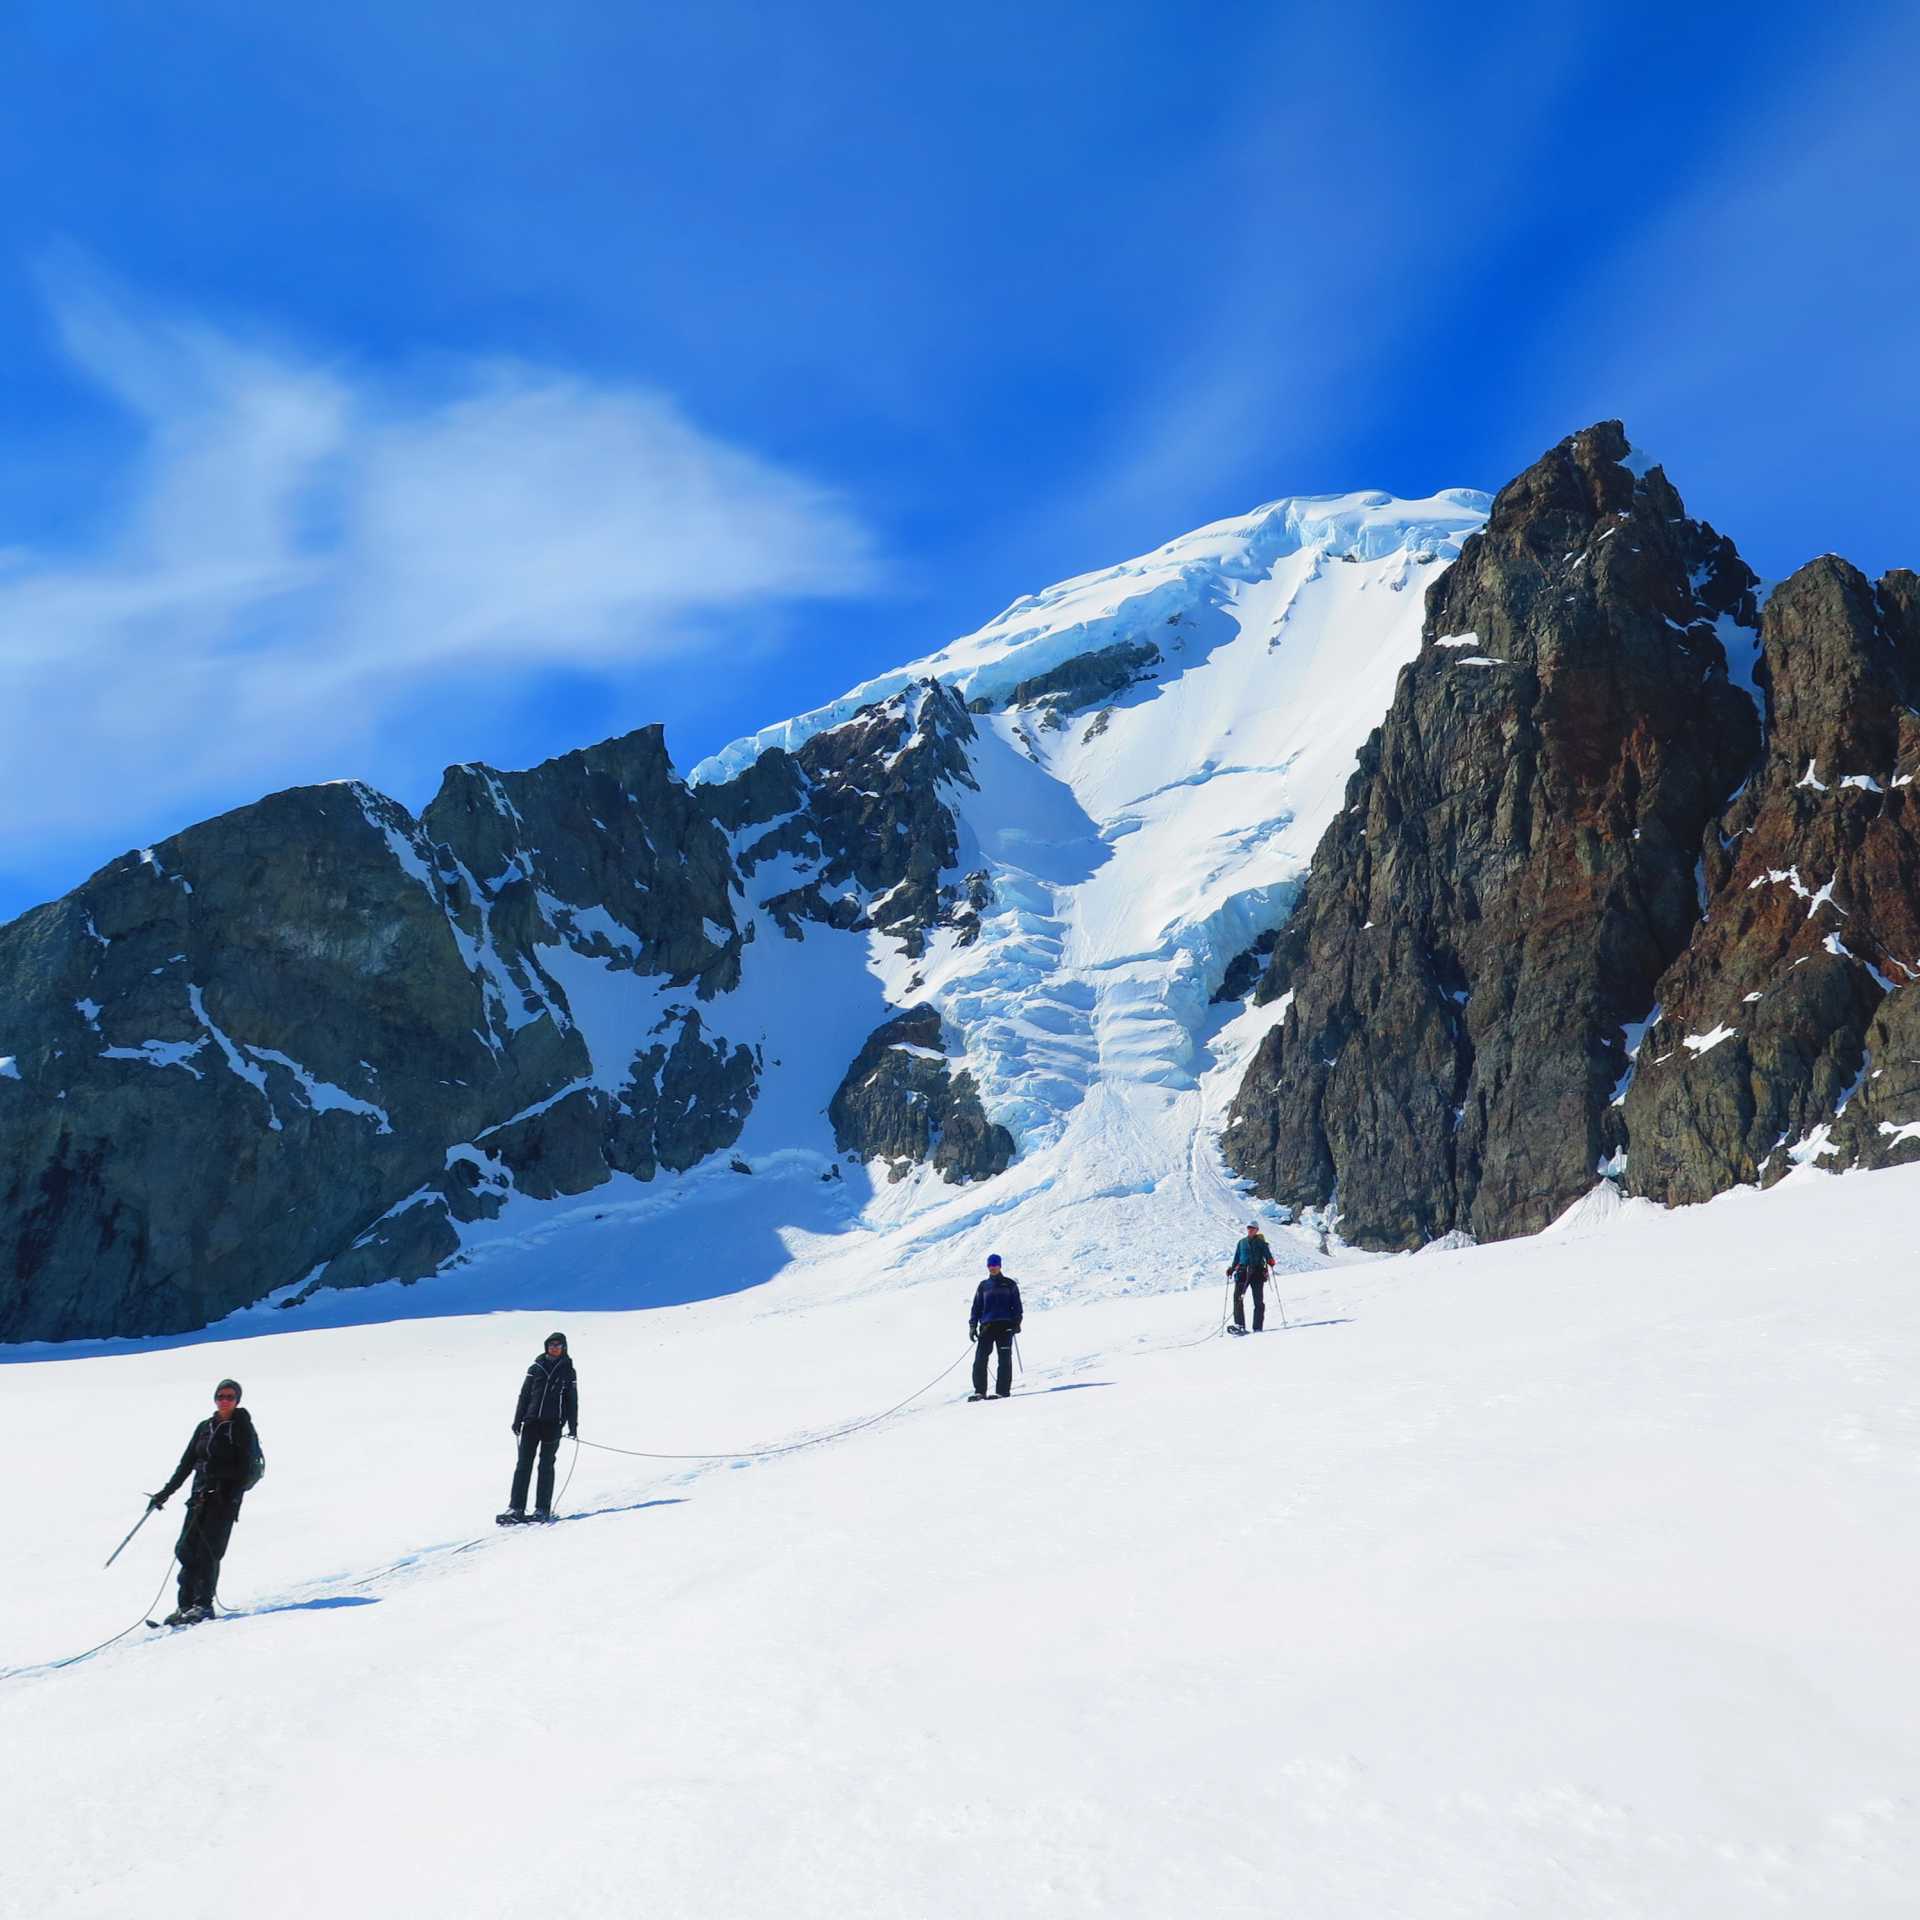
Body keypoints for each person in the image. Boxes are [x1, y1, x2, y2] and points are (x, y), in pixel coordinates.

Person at [147, 1377, 264, 1626]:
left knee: (208, 1553)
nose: (224, 1401)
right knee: (185, 1549)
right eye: (220, 1396)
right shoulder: (204, 1427)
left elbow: (243, 1469)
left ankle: (203, 1605)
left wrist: (221, 1486)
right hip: (198, 1498)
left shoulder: (241, 1428)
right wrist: (164, 1493)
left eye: (230, 1397)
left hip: (224, 1500)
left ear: (237, 1400)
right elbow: (187, 1463)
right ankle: (185, 1605)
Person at [500, 1331, 578, 1524]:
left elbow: (571, 1400)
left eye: (558, 1345)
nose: (554, 1348)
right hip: (531, 1423)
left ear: (564, 1347)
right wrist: (518, 1420)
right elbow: (524, 1395)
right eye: (551, 1345)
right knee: (523, 1466)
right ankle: (515, 1508)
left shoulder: (568, 1370)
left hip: (553, 1425)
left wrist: (572, 1424)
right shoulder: (535, 1368)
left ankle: (542, 1508)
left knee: (546, 1465)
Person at [968, 1255, 1023, 1401]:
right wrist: (973, 1326)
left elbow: (1017, 1306)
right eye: (990, 1265)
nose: (992, 1267)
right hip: (987, 1327)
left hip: (1005, 1327)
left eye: (995, 1265)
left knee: (1004, 1359)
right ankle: (979, 1391)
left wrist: (1016, 1324)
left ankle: (1002, 1391)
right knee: (980, 1359)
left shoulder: (1009, 1284)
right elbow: (976, 1307)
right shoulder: (983, 1286)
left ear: (1000, 1266)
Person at [1228, 1222, 1275, 1333]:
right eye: (1249, 1228)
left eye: (1252, 1228)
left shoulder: (1261, 1243)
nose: (1250, 1229)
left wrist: (1270, 1261)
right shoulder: (1241, 1242)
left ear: (1257, 1230)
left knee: (1258, 1301)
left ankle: (1257, 1327)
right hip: (1243, 1272)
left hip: (1257, 1273)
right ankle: (1240, 1325)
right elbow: (1237, 1258)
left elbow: (1268, 1256)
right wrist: (1232, 1268)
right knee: (1237, 1298)